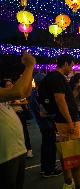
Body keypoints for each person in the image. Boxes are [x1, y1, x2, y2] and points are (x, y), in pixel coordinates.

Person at [41, 55, 80, 189]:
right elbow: (60, 101)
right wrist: (70, 122)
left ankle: (68, 183)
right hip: (68, 122)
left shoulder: (52, 77)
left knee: (66, 155)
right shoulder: (58, 78)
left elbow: (64, 99)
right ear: (66, 64)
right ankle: (77, 186)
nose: (71, 69)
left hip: (61, 121)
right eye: (71, 65)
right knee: (75, 158)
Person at [0, 53, 36, 189]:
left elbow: (25, 92)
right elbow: (17, 92)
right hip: (5, 155)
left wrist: (30, 70)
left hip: (15, 150)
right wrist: (29, 65)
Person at [29, 73, 62, 177]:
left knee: (46, 147)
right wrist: (55, 113)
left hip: (44, 124)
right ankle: (49, 170)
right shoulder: (38, 94)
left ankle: (45, 168)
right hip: (46, 124)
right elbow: (43, 113)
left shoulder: (34, 93)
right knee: (50, 147)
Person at [3, 79, 34, 158]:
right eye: (8, 85)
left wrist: (17, 102)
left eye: (11, 84)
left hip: (19, 114)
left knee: (24, 132)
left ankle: (29, 149)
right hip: (9, 117)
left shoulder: (16, 94)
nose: (10, 86)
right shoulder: (4, 95)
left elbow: (25, 101)